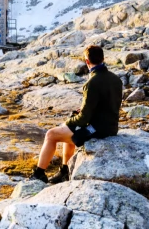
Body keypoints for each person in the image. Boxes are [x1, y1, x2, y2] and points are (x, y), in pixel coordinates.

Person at [32, 45, 123, 184]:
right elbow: (107, 106)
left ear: (87, 61)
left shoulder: (92, 82)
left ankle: (39, 174)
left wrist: (69, 121)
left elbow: (84, 118)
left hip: (97, 130)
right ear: (103, 59)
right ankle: (65, 171)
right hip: (111, 127)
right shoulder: (116, 79)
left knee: (51, 134)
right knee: (68, 132)